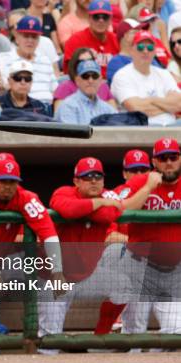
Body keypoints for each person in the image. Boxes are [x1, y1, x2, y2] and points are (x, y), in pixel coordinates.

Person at [0, 158, 62, 349]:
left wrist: (57, 270)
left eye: (12, 181)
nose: (8, 186)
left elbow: (48, 233)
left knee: (45, 278)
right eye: (3, 181)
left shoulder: (25, 197)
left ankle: (47, 346)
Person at [43, 157, 124, 352]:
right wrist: (99, 202)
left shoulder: (111, 195)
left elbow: (108, 215)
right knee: (48, 344)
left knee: (125, 284)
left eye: (98, 176)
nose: (94, 180)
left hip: (89, 276)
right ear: (76, 181)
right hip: (56, 277)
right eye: (87, 177)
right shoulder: (63, 192)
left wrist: (89, 206)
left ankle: (100, 341)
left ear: (104, 181)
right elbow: (68, 209)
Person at [116, 138, 181, 338]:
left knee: (176, 332)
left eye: (173, 157)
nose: (168, 162)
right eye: (163, 158)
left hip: (174, 269)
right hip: (139, 267)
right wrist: (147, 189)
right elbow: (120, 210)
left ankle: (155, 361)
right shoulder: (140, 181)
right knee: (134, 334)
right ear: (154, 161)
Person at [94, 149, 151, 336]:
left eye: (143, 170)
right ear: (125, 173)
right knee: (117, 251)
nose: (139, 175)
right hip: (127, 263)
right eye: (134, 171)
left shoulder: (158, 194)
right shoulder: (115, 195)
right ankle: (115, 319)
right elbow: (109, 237)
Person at [111, 31, 181, 126]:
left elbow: (178, 104)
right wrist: (168, 106)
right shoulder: (122, 75)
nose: (145, 51)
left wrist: (152, 100)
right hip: (143, 130)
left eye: (150, 48)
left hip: (171, 126)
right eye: (140, 47)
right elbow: (136, 108)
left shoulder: (164, 73)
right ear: (131, 50)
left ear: (154, 52)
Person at [1, 16, 58, 105]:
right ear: (17, 37)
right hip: (19, 109)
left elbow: (55, 92)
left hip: (46, 110)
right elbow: (4, 88)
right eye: (26, 36)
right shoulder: (4, 59)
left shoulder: (45, 60)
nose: (30, 40)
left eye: (34, 37)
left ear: (39, 39)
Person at [63, 0, 119, 78]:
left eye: (105, 17)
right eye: (96, 17)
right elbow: (71, 72)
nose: (101, 21)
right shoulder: (75, 40)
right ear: (89, 19)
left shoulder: (117, 40)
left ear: (110, 20)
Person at [54, 47, 116, 112]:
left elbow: (113, 115)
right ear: (74, 64)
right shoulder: (65, 87)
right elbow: (59, 117)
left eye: (90, 60)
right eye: (81, 62)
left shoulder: (103, 86)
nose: (86, 64)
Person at [55, 60, 117, 124]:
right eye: (85, 76)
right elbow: (71, 133)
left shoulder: (107, 109)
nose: (90, 80)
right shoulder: (68, 106)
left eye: (95, 76)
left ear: (100, 80)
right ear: (77, 80)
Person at [106, 18, 147, 84]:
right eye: (137, 32)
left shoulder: (148, 56)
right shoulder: (116, 63)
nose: (142, 35)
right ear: (126, 36)